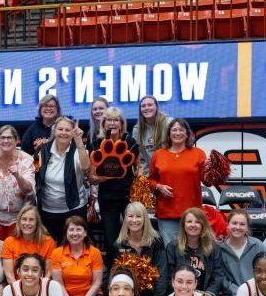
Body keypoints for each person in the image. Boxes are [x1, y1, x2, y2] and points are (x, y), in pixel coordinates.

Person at [149, 119, 206, 246]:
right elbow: (150, 180)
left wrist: (216, 173)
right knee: (171, 249)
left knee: (193, 248)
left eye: (181, 130)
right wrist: (158, 186)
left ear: (187, 134)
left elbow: (207, 181)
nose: (177, 133)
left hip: (192, 213)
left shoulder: (198, 154)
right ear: (169, 134)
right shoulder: (158, 155)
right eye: (174, 130)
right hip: (167, 212)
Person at [90, 107, 139, 256]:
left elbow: (134, 170)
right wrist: (116, 174)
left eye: (116, 120)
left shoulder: (130, 141)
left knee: (133, 236)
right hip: (107, 198)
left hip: (127, 196)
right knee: (111, 240)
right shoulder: (97, 142)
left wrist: (105, 176)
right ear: (103, 123)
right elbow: (93, 176)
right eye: (109, 120)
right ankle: (114, 273)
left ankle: (135, 271)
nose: (112, 123)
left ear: (121, 123)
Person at [36, 116, 90, 242]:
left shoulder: (78, 149)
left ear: (73, 132)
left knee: (75, 247)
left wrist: (79, 142)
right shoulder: (44, 149)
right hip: (48, 210)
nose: (64, 133)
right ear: (54, 131)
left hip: (74, 209)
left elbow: (86, 167)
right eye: (60, 129)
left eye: (67, 130)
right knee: (52, 250)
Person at [0, 125, 36, 240]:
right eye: (2, 137)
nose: (6, 140)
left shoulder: (26, 160)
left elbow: (28, 190)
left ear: (16, 140)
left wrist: (17, 175)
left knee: (15, 253)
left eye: (10, 138)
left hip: (19, 217)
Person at [114, 202, 167, 296]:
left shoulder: (156, 241)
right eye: (130, 216)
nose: (134, 220)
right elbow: (116, 276)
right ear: (125, 219)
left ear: (145, 219)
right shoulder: (119, 244)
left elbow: (162, 273)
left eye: (138, 216)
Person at [165, 207, 225, 296]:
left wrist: (209, 294)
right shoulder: (172, 247)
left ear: (203, 225)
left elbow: (218, 276)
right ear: (183, 225)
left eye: (197, 222)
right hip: (180, 294)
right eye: (189, 222)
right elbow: (169, 277)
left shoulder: (214, 248)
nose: (193, 225)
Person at [221, 208, 266, 296]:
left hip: (259, 293)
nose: (237, 227)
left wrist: (257, 293)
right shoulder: (219, 250)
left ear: (247, 228)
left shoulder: (257, 245)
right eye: (234, 223)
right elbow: (223, 280)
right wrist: (242, 293)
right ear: (228, 225)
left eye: (242, 224)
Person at [1, 205, 56, 285]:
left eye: (31, 220)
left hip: (40, 286)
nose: (27, 223)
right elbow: (9, 275)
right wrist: (18, 291)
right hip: (17, 285)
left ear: (37, 223)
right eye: (24, 219)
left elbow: (49, 272)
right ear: (19, 222)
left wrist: (42, 289)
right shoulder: (9, 242)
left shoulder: (48, 242)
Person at [131, 95, 171, 176]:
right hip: (150, 173)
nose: (146, 108)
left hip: (170, 171)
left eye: (150, 105)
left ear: (156, 107)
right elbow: (141, 158)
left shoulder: (169, 123)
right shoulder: (137, 130)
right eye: (143, 106)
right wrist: (146, 177)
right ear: (140, 110)